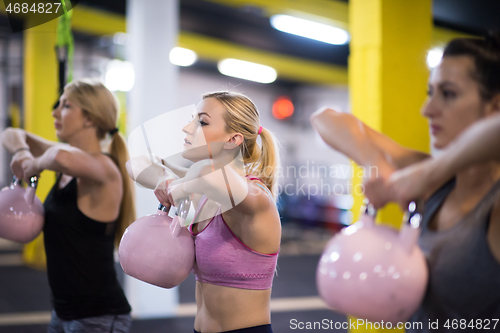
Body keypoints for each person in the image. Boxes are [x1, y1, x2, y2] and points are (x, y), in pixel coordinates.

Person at [310, 34, 500, 331]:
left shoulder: (489, 203)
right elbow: (326, 118)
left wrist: (428, 174)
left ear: (494, 106)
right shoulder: (438, 183)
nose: (428, 109)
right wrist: (375, 162)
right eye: (430, 92)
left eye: (448, 94)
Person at [1, 79, 135, 333]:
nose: (55, 112)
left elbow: (59, 157)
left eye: (65, 106)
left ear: (89, 119)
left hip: (99, 317)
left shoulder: (105, 168)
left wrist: (35, 163)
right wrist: (20, 151)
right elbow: (10, 134)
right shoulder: (67, 162)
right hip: (62, 314)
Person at [154, 91, 281, 333]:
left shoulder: (255, 198)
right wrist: (166, 178)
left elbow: (205, 171)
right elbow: (139, 164)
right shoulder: (201, 197)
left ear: (233, 139)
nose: (186, 128)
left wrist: (175, 185)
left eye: (201, 121)